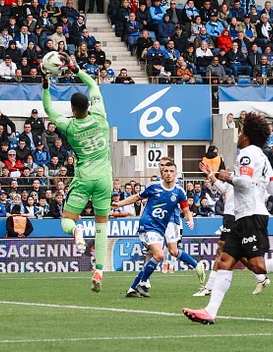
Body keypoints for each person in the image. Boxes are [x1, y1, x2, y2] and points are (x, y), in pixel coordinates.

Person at [182, 113, 273, 324]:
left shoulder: (247, 153)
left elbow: (243, 182)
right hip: (247, 214)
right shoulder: (263, 157)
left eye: (241, 131)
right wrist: (254, 183)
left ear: (247, 135)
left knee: (258, 265)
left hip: (250, 214)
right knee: (225, 261)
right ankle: (210, 311)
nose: (239, 135)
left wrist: (227, 177)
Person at [41, 53, 112, 293]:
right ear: (89, 106)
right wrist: (75, 68)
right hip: (104, 179)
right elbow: (92, 85)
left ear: (72, 109)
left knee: (67, 221)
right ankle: (99, 270)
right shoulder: (100, 116)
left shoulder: (69, 126)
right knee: (102, 225)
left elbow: (48, 108)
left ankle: (76, 230)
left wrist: (46, 84)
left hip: (84, 179)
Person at [113, 161, 205, 298]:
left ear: (176, 173)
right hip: (148, 225)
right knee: (160, 255)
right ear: (162, 173)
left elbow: (185, 209)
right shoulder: (153, 186)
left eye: (171, 171)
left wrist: (190, 219)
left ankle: (133, 288)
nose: (168, 174)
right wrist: (119, 204)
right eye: (166, 171)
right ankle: (143, 282)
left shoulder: (179, 191)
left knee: (155, 257)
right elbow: (136, 197)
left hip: (162, 228)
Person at [194, 160, 272, 296]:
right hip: (231, 215)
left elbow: (264, 196)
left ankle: (210, 287)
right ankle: (261, 278)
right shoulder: (236, 176)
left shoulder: (251, 180)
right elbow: (223, 188)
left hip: (235, 216)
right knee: (238, 252)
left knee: (222, 249)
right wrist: (211, 174)